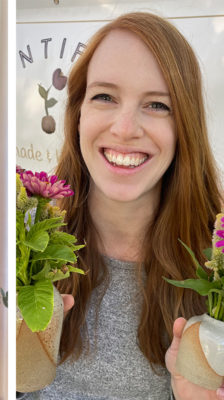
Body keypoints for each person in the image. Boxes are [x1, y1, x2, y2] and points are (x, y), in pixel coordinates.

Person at [22, 12, 224, 400]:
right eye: (104, 97)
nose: (125, 127)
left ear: (186, 126)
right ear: (77, 112)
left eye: (158, 105)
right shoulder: (24, 239)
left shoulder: (216, 261)